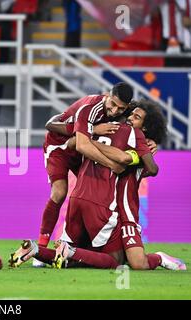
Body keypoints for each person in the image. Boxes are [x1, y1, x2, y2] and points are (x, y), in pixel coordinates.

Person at [11, 100, 186, 271]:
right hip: (109, 208)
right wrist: (132, 154)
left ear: (146, 127)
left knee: (81, 259)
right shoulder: (122, 133)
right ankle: (159, 258)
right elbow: (140, 165)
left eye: (137, 117)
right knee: (118, 261)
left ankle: (36, 250)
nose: (130, 117)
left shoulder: (111, 129)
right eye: (131, 114)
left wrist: (87, 138)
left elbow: (72, 142)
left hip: (103, 206)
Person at [33, 82, 133, 267]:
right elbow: (82, 145)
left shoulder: (122, 111)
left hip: (80, 145)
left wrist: (152, 142)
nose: (115, 111)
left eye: (121, 108)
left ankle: (90, 247)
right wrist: (112, 164)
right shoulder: (91, 107)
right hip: (60, 147)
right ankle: (41, 248)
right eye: (113, 104)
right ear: (107, 95)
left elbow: (141, 121)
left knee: (92, 192)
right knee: (60, 192)